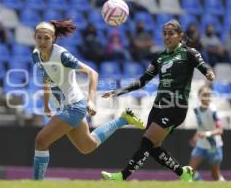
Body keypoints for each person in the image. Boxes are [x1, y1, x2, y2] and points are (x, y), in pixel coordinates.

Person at [100, 20, 216, 182]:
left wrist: (209, 74)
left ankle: (122, 176)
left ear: (180, 35)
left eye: (171, 33)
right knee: (153, 148)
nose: (167, 37)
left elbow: (204, 67)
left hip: (176, 106)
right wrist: (119, 91)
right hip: (158, 105)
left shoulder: (189, 53)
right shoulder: (160, 58)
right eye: (165, 34)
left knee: (147, 140)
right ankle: (183, 173)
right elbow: (142, 81)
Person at [31, 19, 145, 180]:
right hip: (63, 107)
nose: (42, 41)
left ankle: (36, 183)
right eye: (39, 37)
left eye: (46, 38)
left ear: (54, 39)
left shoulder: (62, 55)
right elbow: (45, 80)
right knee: (87, 146)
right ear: (34, 38)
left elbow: (93, 73)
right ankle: (122, 120)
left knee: (41, 141)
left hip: (74, 106)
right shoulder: (36, 55)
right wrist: (46, 106)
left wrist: (91, 101)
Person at [189, 84, 225, 181]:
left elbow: (220, 130)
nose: (207, 97)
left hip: (214, 146)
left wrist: (206, 134)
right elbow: (201, 126)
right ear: (199, 96)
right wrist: (195, 136)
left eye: (209, 94)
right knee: (190, 171)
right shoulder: (196, 109)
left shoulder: (213, 111)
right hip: (201, 145)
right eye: (204, 94)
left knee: (215, 175)